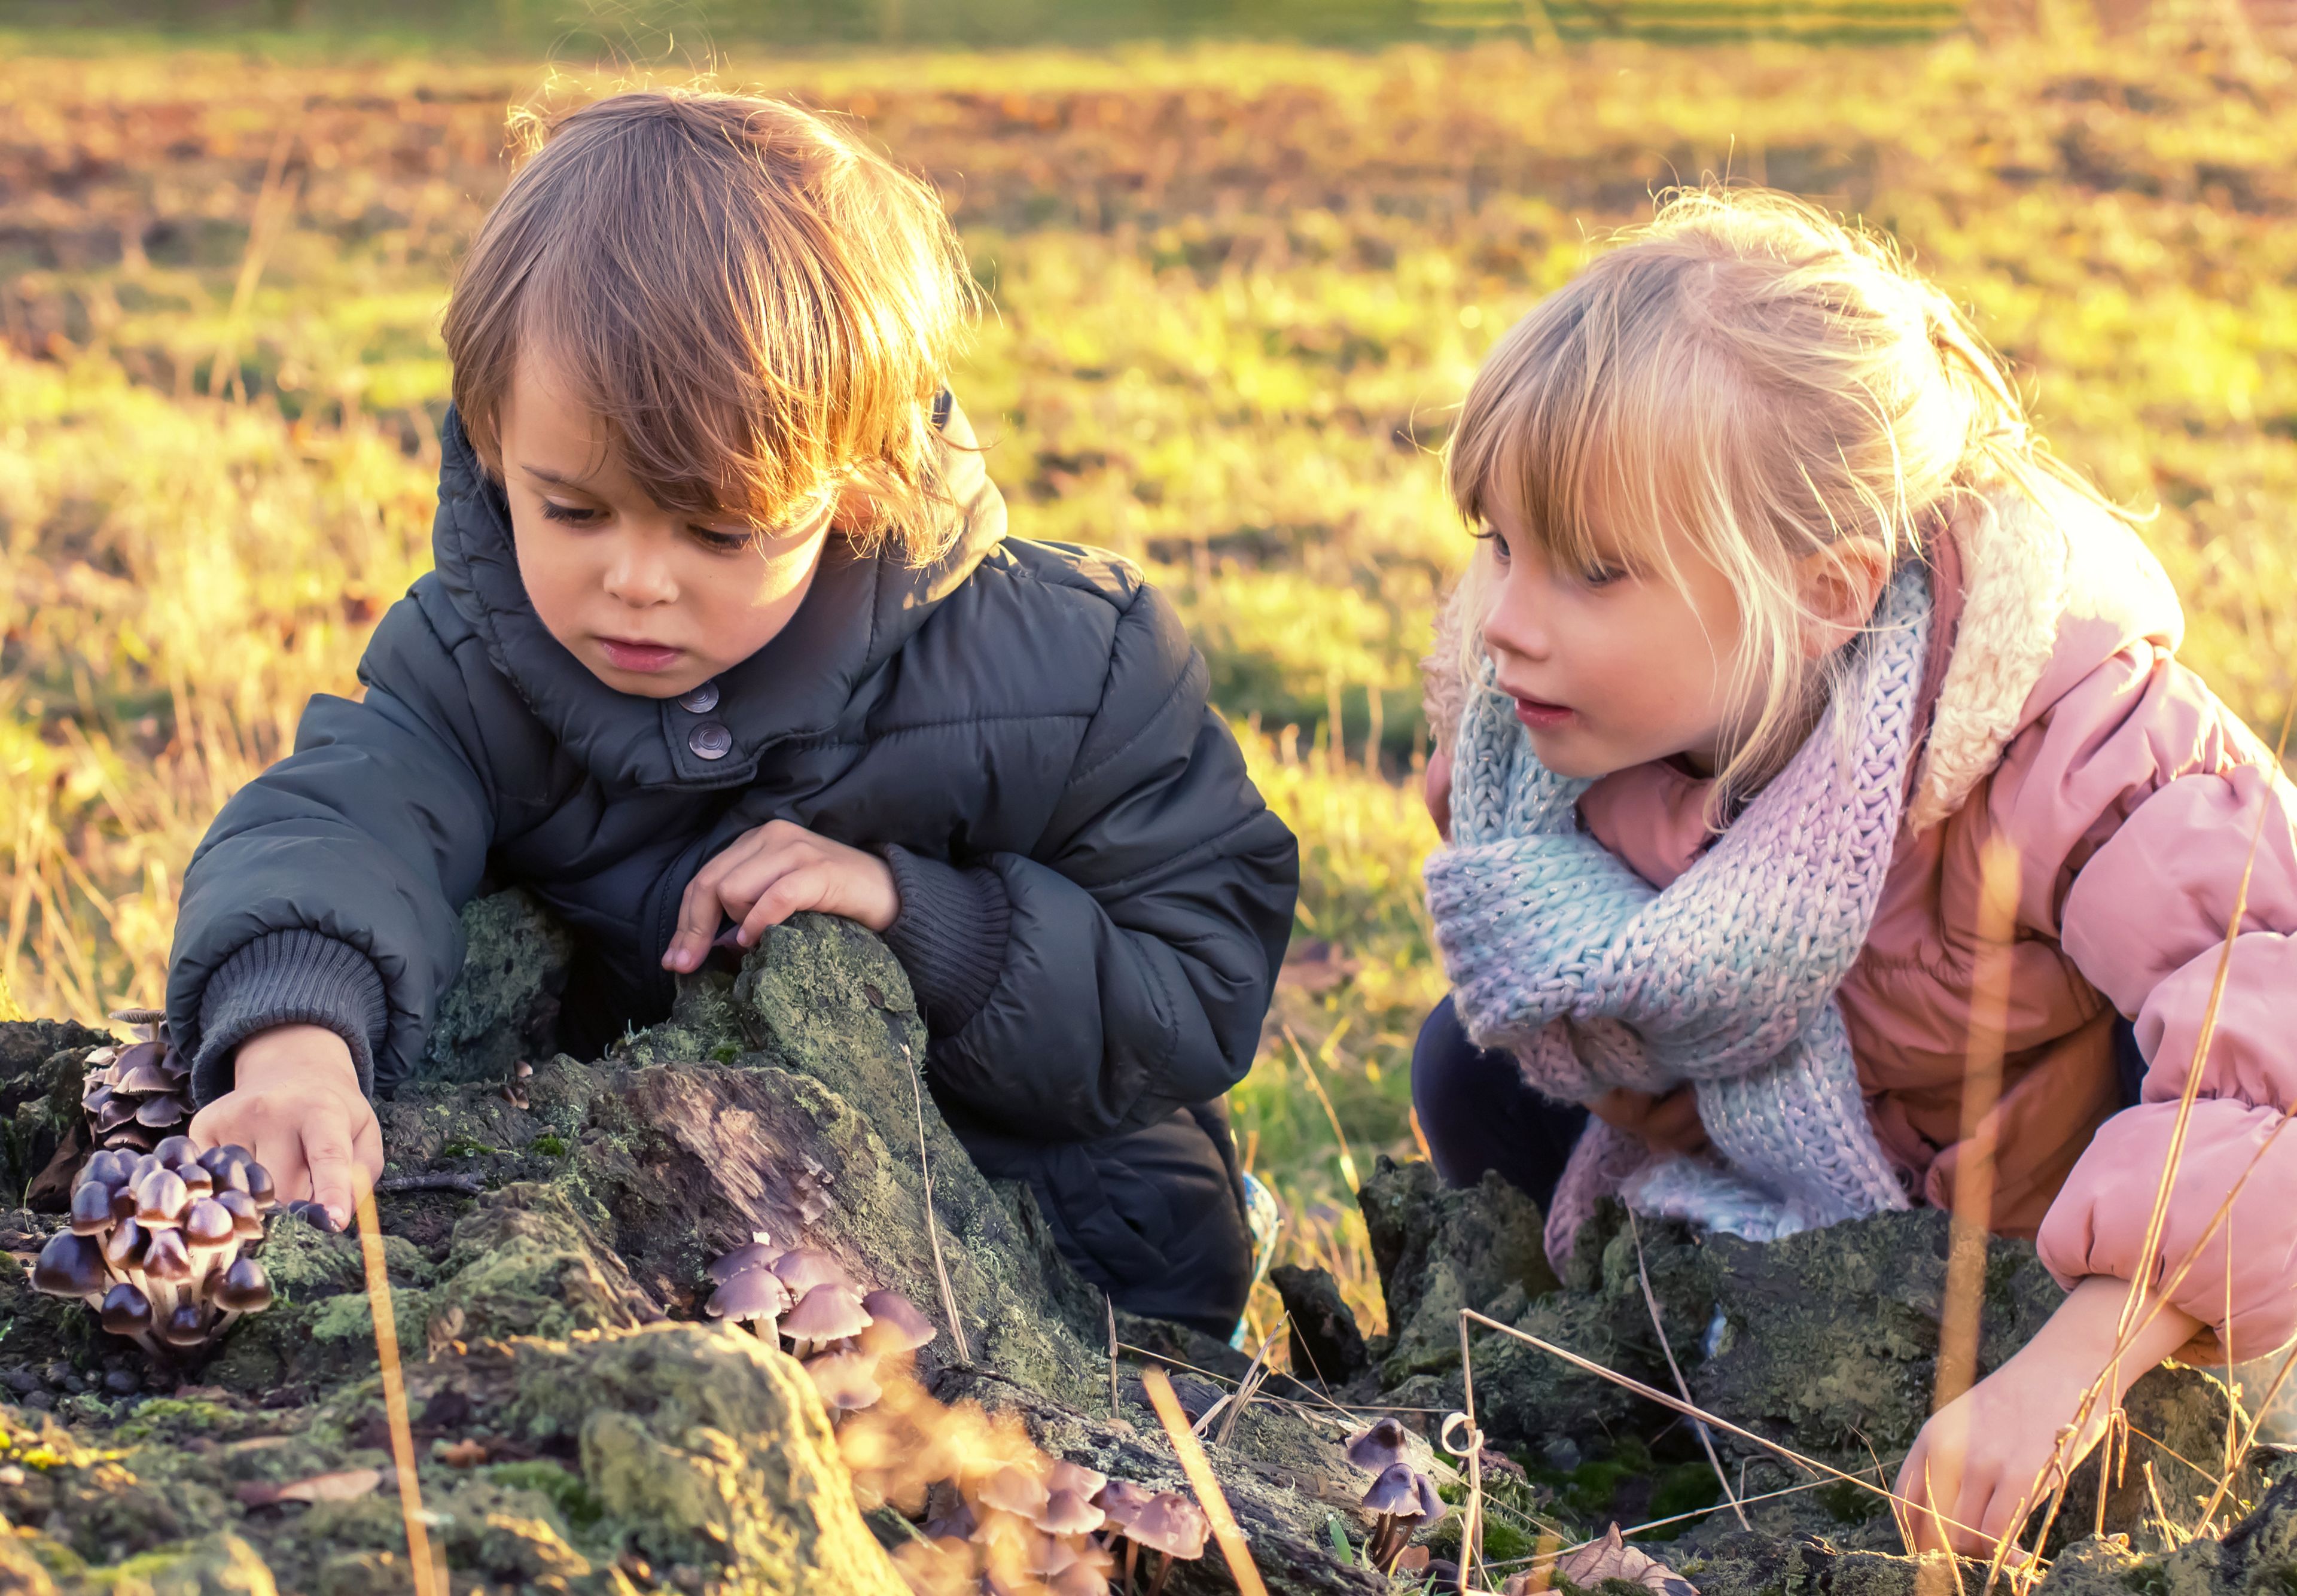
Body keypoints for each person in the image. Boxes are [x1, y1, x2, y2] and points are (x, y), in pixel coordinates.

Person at [164, 90, 1297, 1339]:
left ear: (860, 481)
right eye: (574, 511)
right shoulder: (475, 658)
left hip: (1099, 1293)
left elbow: (1199, 983)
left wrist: (930, 922)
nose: (638, 581)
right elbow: (338, 821)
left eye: (719, 529)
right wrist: (294, 1038)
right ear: (492, 443)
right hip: (701, 1294)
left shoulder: (1075, 666)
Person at [1412, 186, 2297, 1555]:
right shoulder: (1545, 748)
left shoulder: (2083, 736)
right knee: (1472, 1058)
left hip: (2081, 1284)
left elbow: (2277, 1047)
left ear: (1824, 590)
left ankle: (2199, 1441)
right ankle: (1649, 1358)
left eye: (1592, 571)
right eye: (1500, 545)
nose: (1508, 626)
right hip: (1828, 1203)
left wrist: (2069, 1365)